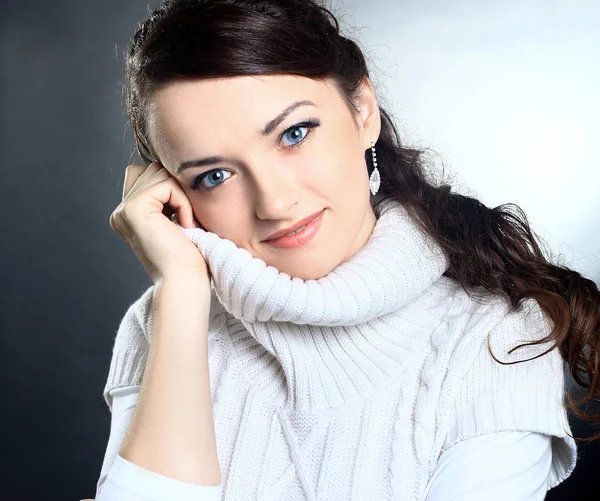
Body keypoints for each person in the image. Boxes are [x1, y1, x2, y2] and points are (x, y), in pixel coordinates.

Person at [89, 0, 600, 499]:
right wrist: (178, 288)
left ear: (363, 111)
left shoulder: (497, 339)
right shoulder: (168, 320)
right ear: (173, 192)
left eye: (294, 134)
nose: (275, 202)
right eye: (214, 176)